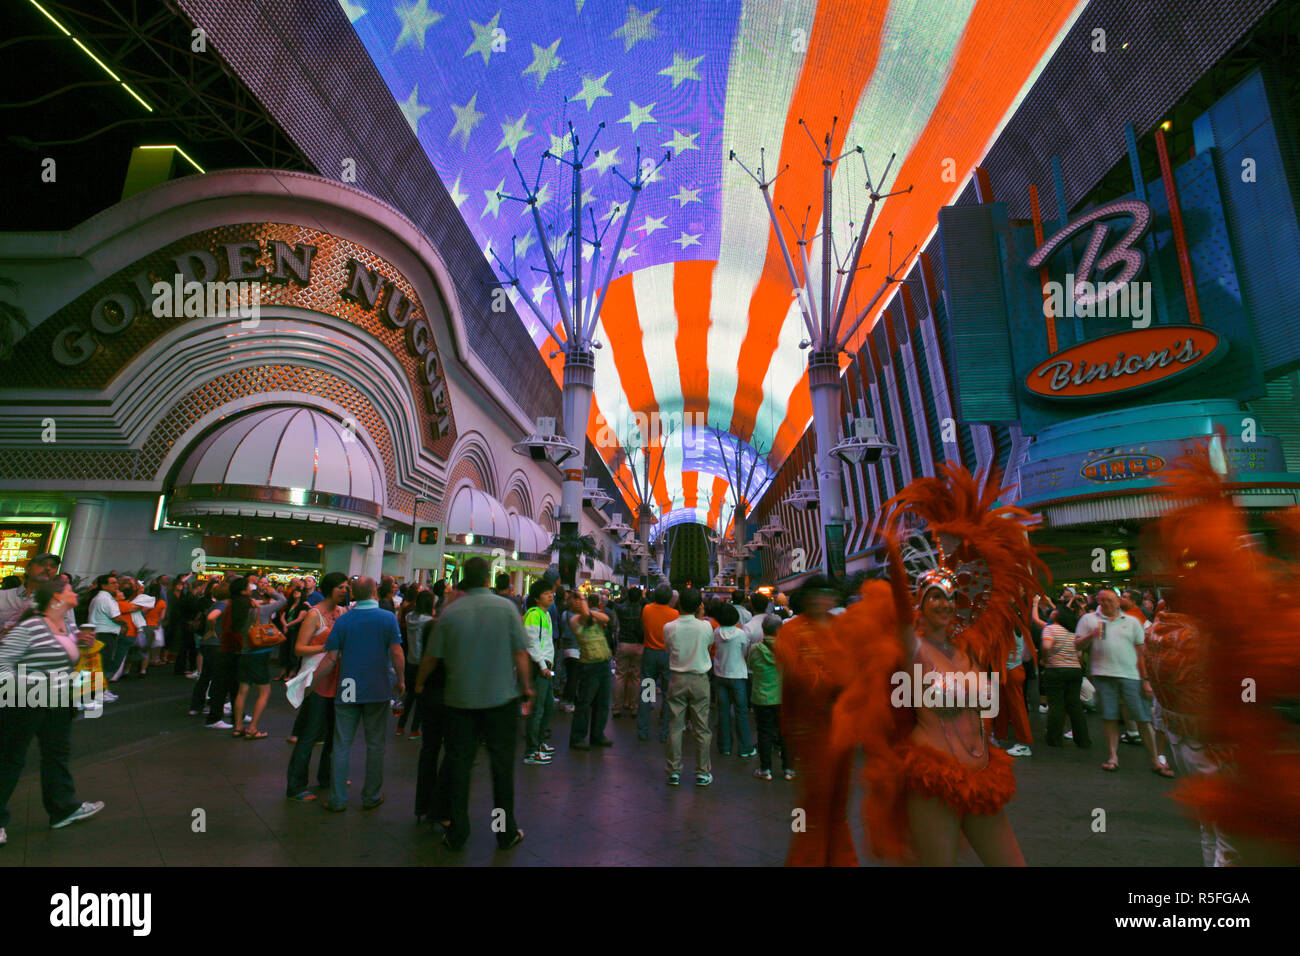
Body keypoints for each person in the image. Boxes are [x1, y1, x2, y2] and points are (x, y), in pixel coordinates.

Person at [420, 557, 530, 851]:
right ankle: (503, 830)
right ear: (487, 580)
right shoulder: (507, 608)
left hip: (460, 701)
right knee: (501, 768)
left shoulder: (450, 612)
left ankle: (458, 831)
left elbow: (432, 656)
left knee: (459, 767)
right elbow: (520, 652)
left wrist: (419, 683)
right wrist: (526, 687)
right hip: (500, 700)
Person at [0, 580, 105, 845]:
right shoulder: (31, 625)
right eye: (69, 589)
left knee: (56, 754)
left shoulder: (64, 625)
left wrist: (75, 641)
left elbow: (53, 655)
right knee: (11, 760)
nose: (75, 592)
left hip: (56, 701)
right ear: (56, 596)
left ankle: (63, 808)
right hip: (25, 701)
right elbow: (3, 662)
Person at [317, 576, 403, 812]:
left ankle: (337, 799)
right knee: (375, 744)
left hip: (348, 685)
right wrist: (401, 680)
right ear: (375, 592)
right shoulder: (387, 618)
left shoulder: (344, 620)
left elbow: (332, 657)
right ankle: (371, 795)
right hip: (377, 685)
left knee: (342, 744)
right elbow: (396, 653)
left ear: (353, 593)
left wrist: (311, 683)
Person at [1078, 588, 1171, 777]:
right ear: (1097, 601)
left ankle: (1155, 760)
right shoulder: (1089, 620)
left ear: (1117, 601)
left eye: (1110, 600)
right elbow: (1077, 645)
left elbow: (1140, 652)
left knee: (1143, 718)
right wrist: (1092, 635)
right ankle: (1113, 757)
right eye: (1102, 600)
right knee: (1109, 717)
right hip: (1103, 676)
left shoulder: (1132, 622)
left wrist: (1146, 680)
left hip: (1131, 676)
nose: (1105, 604)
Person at [285, 573, 348, 800]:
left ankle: (327, 776)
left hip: (337, 680)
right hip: (318, 681)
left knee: (334, 735)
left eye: (346, 587)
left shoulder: (342, 613)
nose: (344, 590)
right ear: (330, 588)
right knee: (310, 735)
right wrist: (326, 648)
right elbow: (299, 648)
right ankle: (296, 785)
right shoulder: (314, 615)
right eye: (340, 587)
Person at [663, 588, 714, 787]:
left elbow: (668, 648)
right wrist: (700, 617)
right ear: (699, 606)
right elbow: (708, 645)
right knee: (702, 728)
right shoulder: (706, 627)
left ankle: (673, 771)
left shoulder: (669, 627)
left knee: (675, 726)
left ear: (679, 604)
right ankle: (702, 772)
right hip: (700, 679)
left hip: (677, 678)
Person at [230, 578, 285, 740]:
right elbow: (282, 600)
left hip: (245, 653)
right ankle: (253, 728)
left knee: (242, 691)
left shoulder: (237, 610)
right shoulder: (261, 611)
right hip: (260, 654)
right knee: (264, 692)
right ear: (244, 592)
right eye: (249, 587)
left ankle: (238, 726)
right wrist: (271, 591)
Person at [1039, 605, 1092, 748]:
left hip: (1055, 669)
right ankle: (1083, 740)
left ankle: (1054, 739)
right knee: (1075, 705)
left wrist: (1044, 659)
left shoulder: (1050, 629)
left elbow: (1046, 646)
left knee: (1056, 704)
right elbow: (1079, 654)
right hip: (1074, 670)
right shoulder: (1074, 632)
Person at [567, 592, 613, 750]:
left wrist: (587, 608)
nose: (581, 602)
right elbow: (585, 619)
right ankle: (577, 738)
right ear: (571, 604)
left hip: (604, 662)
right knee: (585, 703)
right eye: (577, 600)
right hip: (589, 666)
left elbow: (606, 619)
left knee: (603, 702)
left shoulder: (591, 615)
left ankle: (597, 734)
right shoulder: (573, 619)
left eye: (582, 599)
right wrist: (585, 608)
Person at [747, 614, 791, 780]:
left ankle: (765, 769)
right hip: (782, 696)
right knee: (784, 732)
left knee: (764, 733)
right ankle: (788, 769)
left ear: (763, 629)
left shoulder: (755, 649)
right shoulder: (787, 648)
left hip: (761, 696)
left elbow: (750, 665)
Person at [711, 602, 755, 758]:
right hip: (737, 675)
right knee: (741, 712)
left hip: (720, 674)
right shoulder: (741, 634)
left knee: (723, 712)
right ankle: (745, 748)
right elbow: (745, 652)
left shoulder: (716, 632)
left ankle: (725, 746)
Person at [637, 583, 679, 743]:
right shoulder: (674, 613)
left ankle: (643, 730)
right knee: (668, 695)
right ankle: (664, 732)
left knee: (647, 693)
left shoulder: (647, 609)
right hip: (667, 655)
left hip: (650, 655)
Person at [522, 580, 556, 765]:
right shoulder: (534, 615)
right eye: (545, 593)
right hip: (540, 667)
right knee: (538, 709)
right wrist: (543, 666)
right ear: (536, 598)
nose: (550, 595)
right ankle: (532, 750)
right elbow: (532, 643)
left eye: (551, 592)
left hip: (546, 667)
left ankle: (540, 743)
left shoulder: (545, 614)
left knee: (548, 706)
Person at [192, 583, 233, 727]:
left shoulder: (215, 604)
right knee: (218, 679)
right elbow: (211, 617)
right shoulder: (223, 605)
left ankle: (196, 706)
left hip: (208, 644)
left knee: (205, 676)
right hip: (217, 645)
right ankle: (215, 714)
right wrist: (212, 629)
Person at [396, 591, 434, 738]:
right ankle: (414, 729)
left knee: (409, 696)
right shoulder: (430, 621)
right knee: (421, 698)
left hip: (410, 660)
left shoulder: (409, 617)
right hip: (423, 662)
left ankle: (400, 726)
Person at [85, 574, 126, 704]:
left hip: (102, 634)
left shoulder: (104, 597)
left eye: (116, 582)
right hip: (103, 635)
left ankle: (102, 690)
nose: (116, 585)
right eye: (113, 583)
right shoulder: (105, 598)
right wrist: (125, 624)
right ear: (104, 585)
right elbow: (116, 617)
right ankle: (98, 693)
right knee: (101, 665)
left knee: (102, 664)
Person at [611, 587, 644, 717]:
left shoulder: (622, 610)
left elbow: (615, 603)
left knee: (620, 676)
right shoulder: (642, 610)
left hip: (624, 644)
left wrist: (627, 596)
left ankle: (616, 708)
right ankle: (634, 706)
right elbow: (647, 600)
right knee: (636, 677)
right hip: (638, 645)